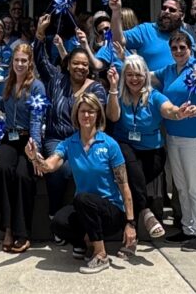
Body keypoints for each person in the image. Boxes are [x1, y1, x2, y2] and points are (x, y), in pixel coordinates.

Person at [26, 93, 137, 274]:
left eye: (91, 112)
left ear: (98, 115)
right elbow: (49, 165)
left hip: (111, 211)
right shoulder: (70, 143)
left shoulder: (110, 144)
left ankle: (101, 255)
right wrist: (35, 158)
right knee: (58, 223)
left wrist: (130, 223)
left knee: (83, 199)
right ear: (76, 115)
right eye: (83, 111)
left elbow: (124, 185)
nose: (86, 115)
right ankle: (86, 242)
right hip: (85, 208)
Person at [34, 14, 108, 234]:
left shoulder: (96, 88)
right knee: (61, 169)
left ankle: (81, 222)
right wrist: (40, 34)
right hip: (56, 138)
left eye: (85, 64)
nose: (80, 68)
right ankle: (55, 214)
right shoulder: (57, 80)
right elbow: (40, 60)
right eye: (76, 63)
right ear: (68, 65)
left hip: (84, 140)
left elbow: (99, 119)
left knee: (83, 169)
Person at [0, 42, 47, 253]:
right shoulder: (9, 82)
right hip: (10, 136)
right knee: (2, 170)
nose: (20, 64)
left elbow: (36, 119)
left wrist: (35, 149)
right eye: (16, 60)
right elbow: (2, 105)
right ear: (12, 62)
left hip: (27, 139)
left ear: (30, 62)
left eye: (24, 60)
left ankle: (23, 232)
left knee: (24, 175)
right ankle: (8, 228)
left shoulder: (36, 87)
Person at [156, 30, 196, 251]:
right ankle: (187, 228)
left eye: (183, 47)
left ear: (190, 48)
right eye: (174, 48)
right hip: (174, 136)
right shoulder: (169, 70)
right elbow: (144, 75)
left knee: (195, 187)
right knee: (180, 186)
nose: (179, 51)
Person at [105, 54, 167, 240]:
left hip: (152, 153)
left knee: (130, 178)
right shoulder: (120, 94)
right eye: (130, 74)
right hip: (126, 149)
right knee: (124, 155)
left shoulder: (154, 96)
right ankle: (145, 213)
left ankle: (132, 226)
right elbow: (113, 117)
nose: (134, 79)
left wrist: (178, 112)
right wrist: (114, 88)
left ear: (146, 76)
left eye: (138, 75)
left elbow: (167, 108)